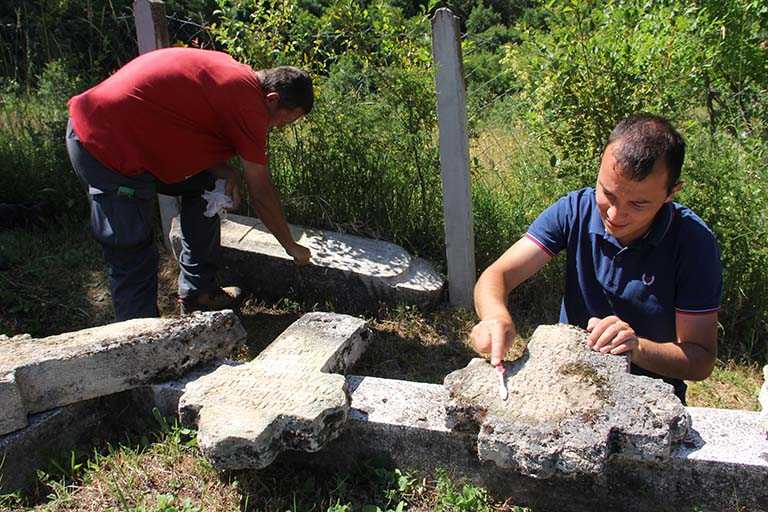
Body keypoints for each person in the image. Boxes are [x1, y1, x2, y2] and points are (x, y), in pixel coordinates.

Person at [470, 114, 722, 403]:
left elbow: (700, 360)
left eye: (638, 204)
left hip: (649, 401)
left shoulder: (693, 242)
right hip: (566, 385)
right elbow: (497, 275)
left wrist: (636, 347)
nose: (615, 215)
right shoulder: (575, 210)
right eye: (608, 193)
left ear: (671, 193)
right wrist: (494, 316)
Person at [66, 47, 313, 321]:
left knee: (209, 186)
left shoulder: (234, 76)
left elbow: (178, 118)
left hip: (127, 135)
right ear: (272, 99)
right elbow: (261, 193)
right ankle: (141, 341)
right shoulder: (249, 104)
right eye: (282, 121)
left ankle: (199, 295)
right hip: (104, 146)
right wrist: (290, 245)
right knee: (133, 253)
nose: (276, 128)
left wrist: (222, 169)